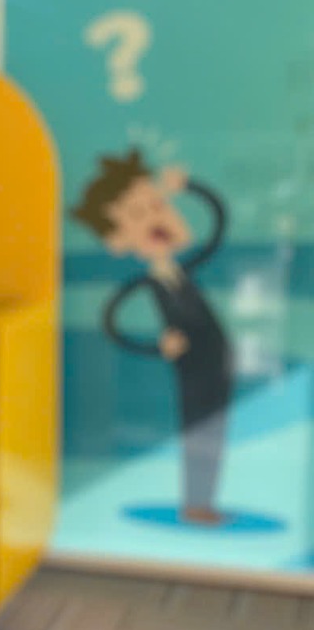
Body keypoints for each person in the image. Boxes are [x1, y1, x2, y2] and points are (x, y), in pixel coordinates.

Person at [71, 151, 233, 524]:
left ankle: (203, 502)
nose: (156, 220)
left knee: (213, 433)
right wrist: (158, 347)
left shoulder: (183, 269)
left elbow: (217, 227)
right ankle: (195, 504)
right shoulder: (145, 284)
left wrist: (188, 187)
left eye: (157, 205)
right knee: (198, 433)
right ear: (117, 239)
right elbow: (112, 323)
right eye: (137, 214)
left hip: (216, 364)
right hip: (193, 369)